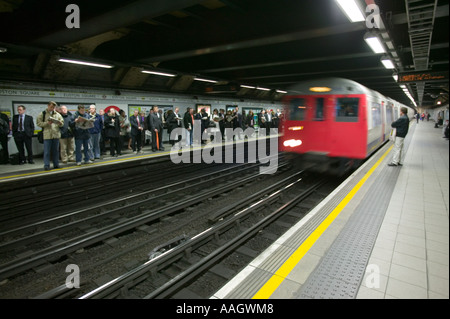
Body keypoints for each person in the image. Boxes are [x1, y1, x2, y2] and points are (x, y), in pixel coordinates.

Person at [36, 101, 64, 171]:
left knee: (56, 151)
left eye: (54, 107)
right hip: (47, 135)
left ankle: (56, 164)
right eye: (51, 107)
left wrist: (60, 123)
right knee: (47, 151)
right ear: (48, 106)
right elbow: (38, 123)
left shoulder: (57, 114)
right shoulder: (43, 114)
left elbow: (62, 122)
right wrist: (47, 123)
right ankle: (46, 165)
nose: (52, 108)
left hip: (56, 135)